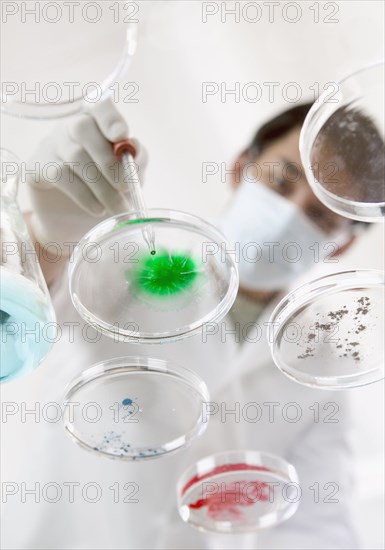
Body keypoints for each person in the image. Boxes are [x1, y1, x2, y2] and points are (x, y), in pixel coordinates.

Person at [1, 99, 362, 549]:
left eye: (321, 215)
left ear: (341, 246)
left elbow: (317, 527)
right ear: (240, 168)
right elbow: (22, 314)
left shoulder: (320, 371)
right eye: (281, 181)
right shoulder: (127, 263)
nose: (290, 215)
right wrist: (48, 240)